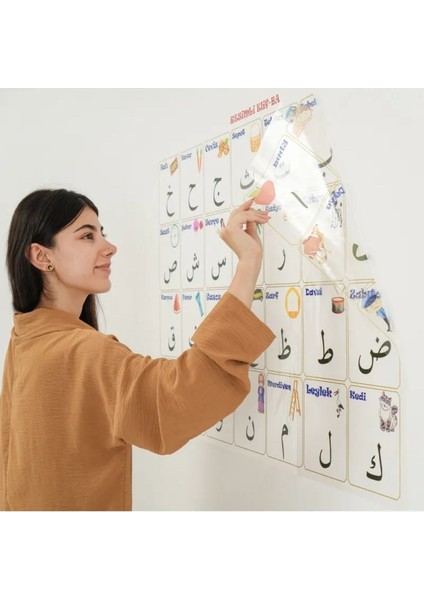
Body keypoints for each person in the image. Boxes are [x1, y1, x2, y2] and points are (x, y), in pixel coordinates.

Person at [0, 189, 275, 511]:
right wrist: (249, 262)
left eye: (102, 233)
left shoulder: (25, 339)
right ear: (42, 256)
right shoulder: (82, 351)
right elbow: (179, 396)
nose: (110, 247)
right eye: (87, 236)